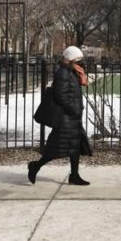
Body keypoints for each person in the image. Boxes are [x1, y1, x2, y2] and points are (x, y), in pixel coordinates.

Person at [27, 45, 93, 186]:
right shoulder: (63, 73)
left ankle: (74, 176)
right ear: (70, 59)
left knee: (74, 148)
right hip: (66, 118)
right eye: (77, 59)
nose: (80, 62)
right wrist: (73, 110)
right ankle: (35, 166)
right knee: (55, 149)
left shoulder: (72, 71)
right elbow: (60, 96)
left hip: (73, 118)